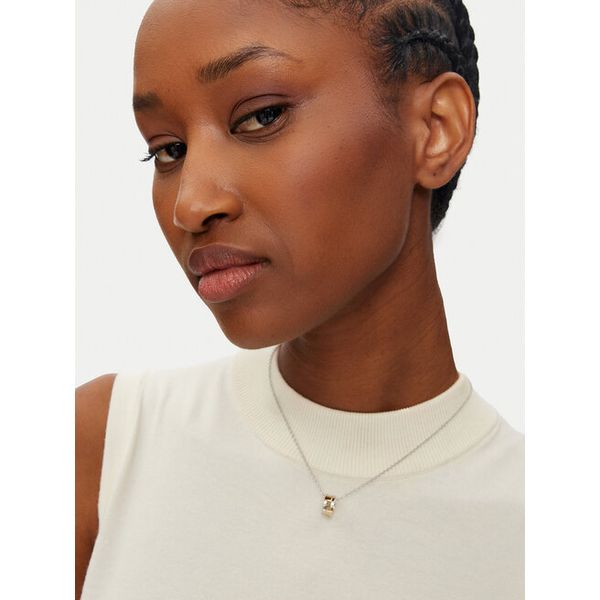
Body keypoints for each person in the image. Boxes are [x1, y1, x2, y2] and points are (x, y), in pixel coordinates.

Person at [76, 1, 524, 599]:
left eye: (260, 117)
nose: (191, 204)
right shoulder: (102, 451)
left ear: (435, 129)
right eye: (168, 150)